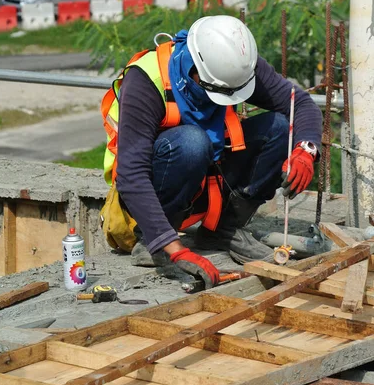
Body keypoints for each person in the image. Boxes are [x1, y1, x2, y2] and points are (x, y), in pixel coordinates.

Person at [103, 15, 322, 289]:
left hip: (208, 175)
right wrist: (175, 249)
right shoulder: (146, 81)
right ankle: (153, 242)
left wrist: (306, 149)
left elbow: (298, 103)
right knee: (192, 142)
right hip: (152, 194)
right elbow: (131, 174)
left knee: (278, 128)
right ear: (195, 68)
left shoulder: (235, 65)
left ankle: (223, 230)